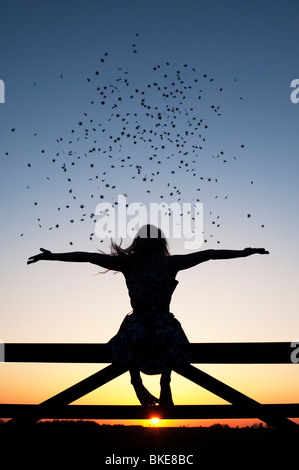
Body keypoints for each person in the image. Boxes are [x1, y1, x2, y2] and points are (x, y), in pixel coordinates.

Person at [27, 224, 269, 408]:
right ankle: (137, 383)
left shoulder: (170, 264)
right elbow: (87, 257)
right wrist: (53, 256)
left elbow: (210, 254)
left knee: (166, 335)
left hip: (162, 319)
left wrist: (243, 253)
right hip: (139, 319)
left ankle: (165, 383)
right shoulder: (129, 264)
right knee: (135, 335)